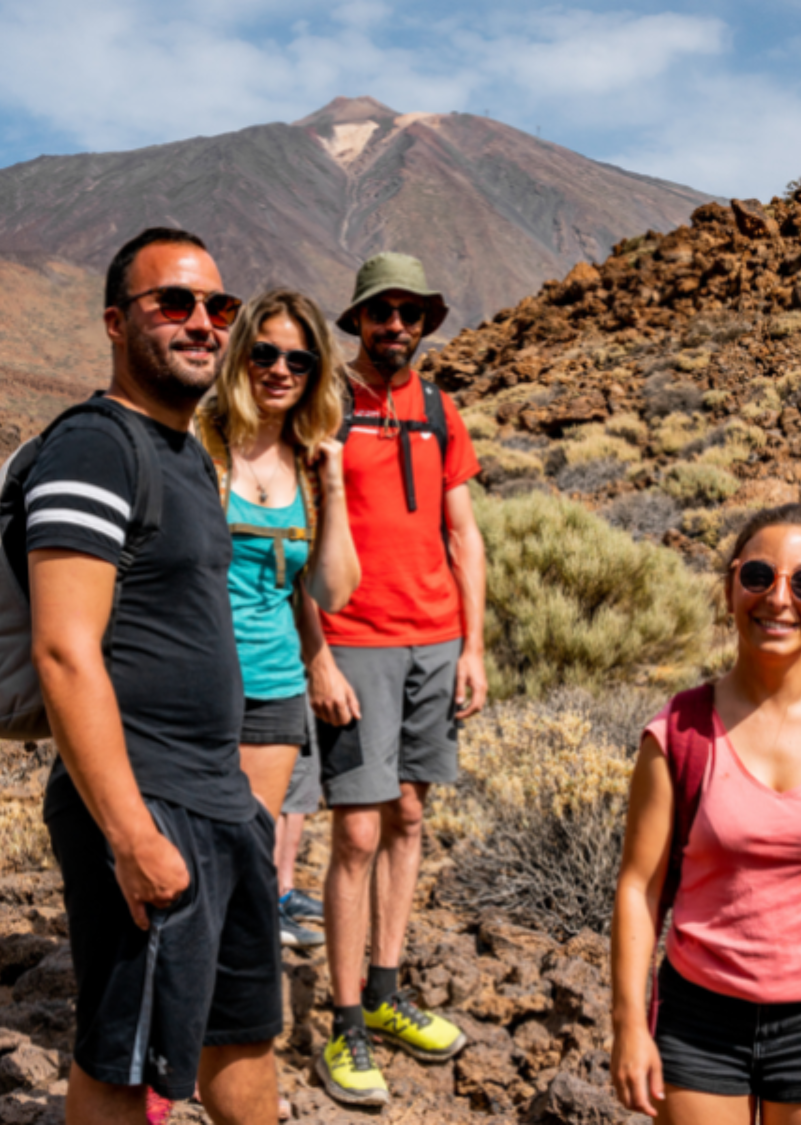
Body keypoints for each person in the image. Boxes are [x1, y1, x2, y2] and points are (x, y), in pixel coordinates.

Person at [30, 227, 279, 1125]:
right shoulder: (95, 447)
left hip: (218, 801)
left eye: (219, 307)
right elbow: (63, 648)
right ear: (114, 322)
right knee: (127, 1058)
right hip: (145, 800)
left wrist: (244, 805)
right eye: (173, 304)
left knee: (240, 1034)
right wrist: (130, 833)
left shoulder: (187, 453)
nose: (203, 323)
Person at [302, 253, 486, 1107]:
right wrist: (318, 655)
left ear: (425, 324)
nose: (397, 327)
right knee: (357, 836)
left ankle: (384, 992)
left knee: (410, 815)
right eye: (382, 313)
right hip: (356, 640)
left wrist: (473, 646)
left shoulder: (442, 409)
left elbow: (464, 535)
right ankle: (343, 1026)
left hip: (435, 642)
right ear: (359, 323)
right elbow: (296, 536)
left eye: (411, 313)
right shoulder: (324, 406)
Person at [612, 504, 801, 1122]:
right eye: (759, 575)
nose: (779, 598)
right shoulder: (678, 731)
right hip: (699, 1021)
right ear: (731, 588)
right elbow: (638, 886)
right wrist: (628, 1024)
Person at [194, 289, 359, 953]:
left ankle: (226, 1002)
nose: (280, 368)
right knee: (193, 848)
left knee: (248, 851)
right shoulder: (199, 442)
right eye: (265, 352)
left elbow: (333, 589)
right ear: (240, 357)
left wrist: (336, 485)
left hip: (273, 684)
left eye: (299, 357)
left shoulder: (310, 463)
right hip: (196, 682)